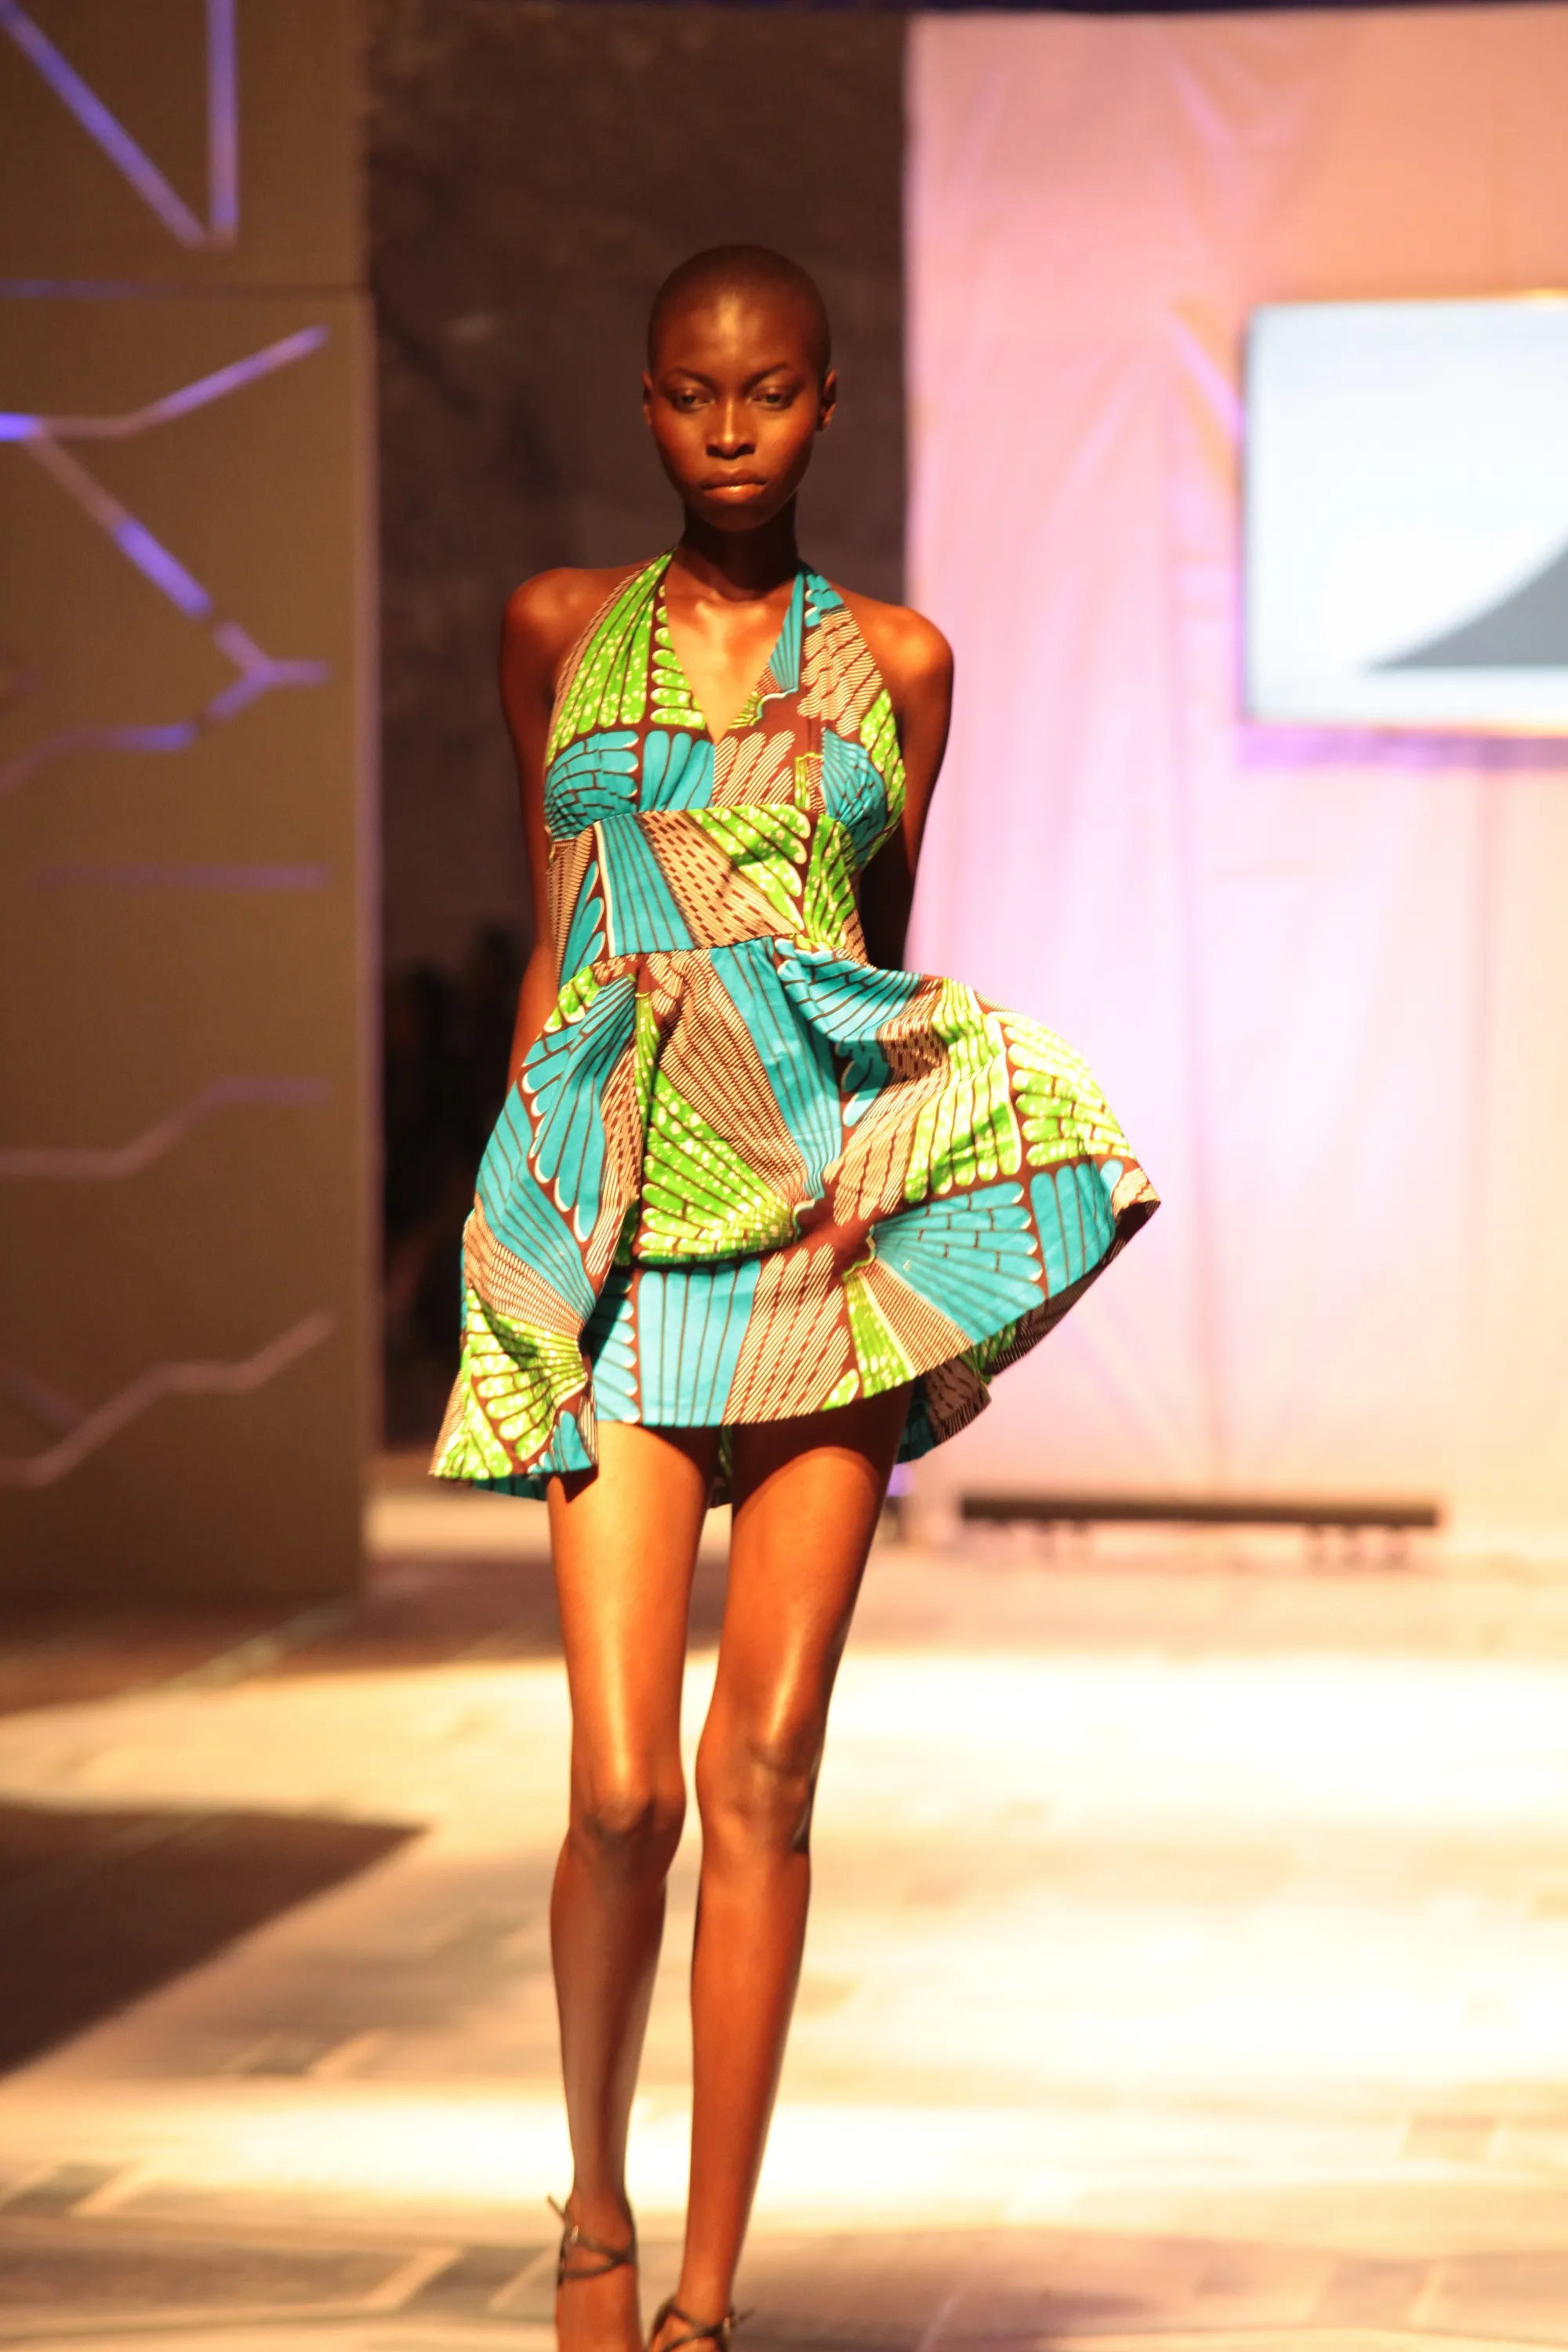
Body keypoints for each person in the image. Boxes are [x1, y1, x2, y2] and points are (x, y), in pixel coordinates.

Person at [432, 245, 1157, 2352]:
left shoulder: (903, 663)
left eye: (766, 391)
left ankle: (702, 2306)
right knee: (621, 1789)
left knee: (761, 1766)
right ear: (646, 400)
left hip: (822, 1259)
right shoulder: (554, 631)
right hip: (614, 1246)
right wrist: (520, 1211)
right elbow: (558, 924)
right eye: (690, 391)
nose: (728, 426)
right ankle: (594, 2207)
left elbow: (872, 953)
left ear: (831, 399)